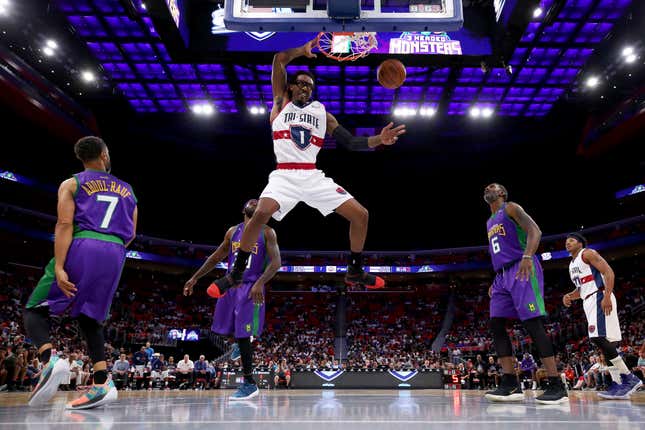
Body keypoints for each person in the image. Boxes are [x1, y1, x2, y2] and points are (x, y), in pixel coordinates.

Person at [209, 36, 406, 297]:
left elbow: (351, 142)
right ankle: (236, 272)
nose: (305, 88)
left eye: (310, 86)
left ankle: (355, 269)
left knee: (361, 215)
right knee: (260, 214)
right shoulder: (280, 103)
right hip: (284, 174)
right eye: (301, 84)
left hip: (312, 175)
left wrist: (379, 140)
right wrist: (301, 50)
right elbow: (279, 59)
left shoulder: (322, 113)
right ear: (290, 87)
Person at [23, 136, 137, 409]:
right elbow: (131, 232)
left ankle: (49, 360)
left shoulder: (72, 183)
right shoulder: (129, 190)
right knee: (90, 317)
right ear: (104, 155)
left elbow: (64, 224)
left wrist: (60, 266)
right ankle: (101, 382)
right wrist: (109, 250)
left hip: (84, 243)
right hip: (116, 251)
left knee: (34, 308)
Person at [183, 199, 281, 400]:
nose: (254, 202)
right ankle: (239, 344)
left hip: (250, 287)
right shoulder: (232, 231)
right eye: (251, 201)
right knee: (225, 329)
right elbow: (215, 257)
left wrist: (260, 283)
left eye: (258, 201)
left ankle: (249, 383)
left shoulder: (267, 232)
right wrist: (195, 277)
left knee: (244, 336)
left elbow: (276, 263)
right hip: (230, 285)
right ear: (244, 208)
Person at [483, 183, 567, 404]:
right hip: (502, 275)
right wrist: (497, 278)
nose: (487, 188)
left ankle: (556, 383)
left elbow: (535, 231)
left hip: (522, 267)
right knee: (496, 324)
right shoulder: (489, 221)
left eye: (492, 186)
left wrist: (528, 256)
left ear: (502, 193)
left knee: (532, 324)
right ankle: (511, 383)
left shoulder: (510, 208)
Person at [564, 233, 643, 399]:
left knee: (597, 337)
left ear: (580, 243)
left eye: (571, 240)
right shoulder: (572, 264)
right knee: (606, 343)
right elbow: (582, 288)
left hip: (599, 297)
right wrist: (570, 295)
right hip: (588, 299)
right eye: (566, 241)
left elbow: (608, 272)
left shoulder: (587, 254)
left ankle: (629, 378)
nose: (567, 243)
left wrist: (607, 295)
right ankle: (617, 384)